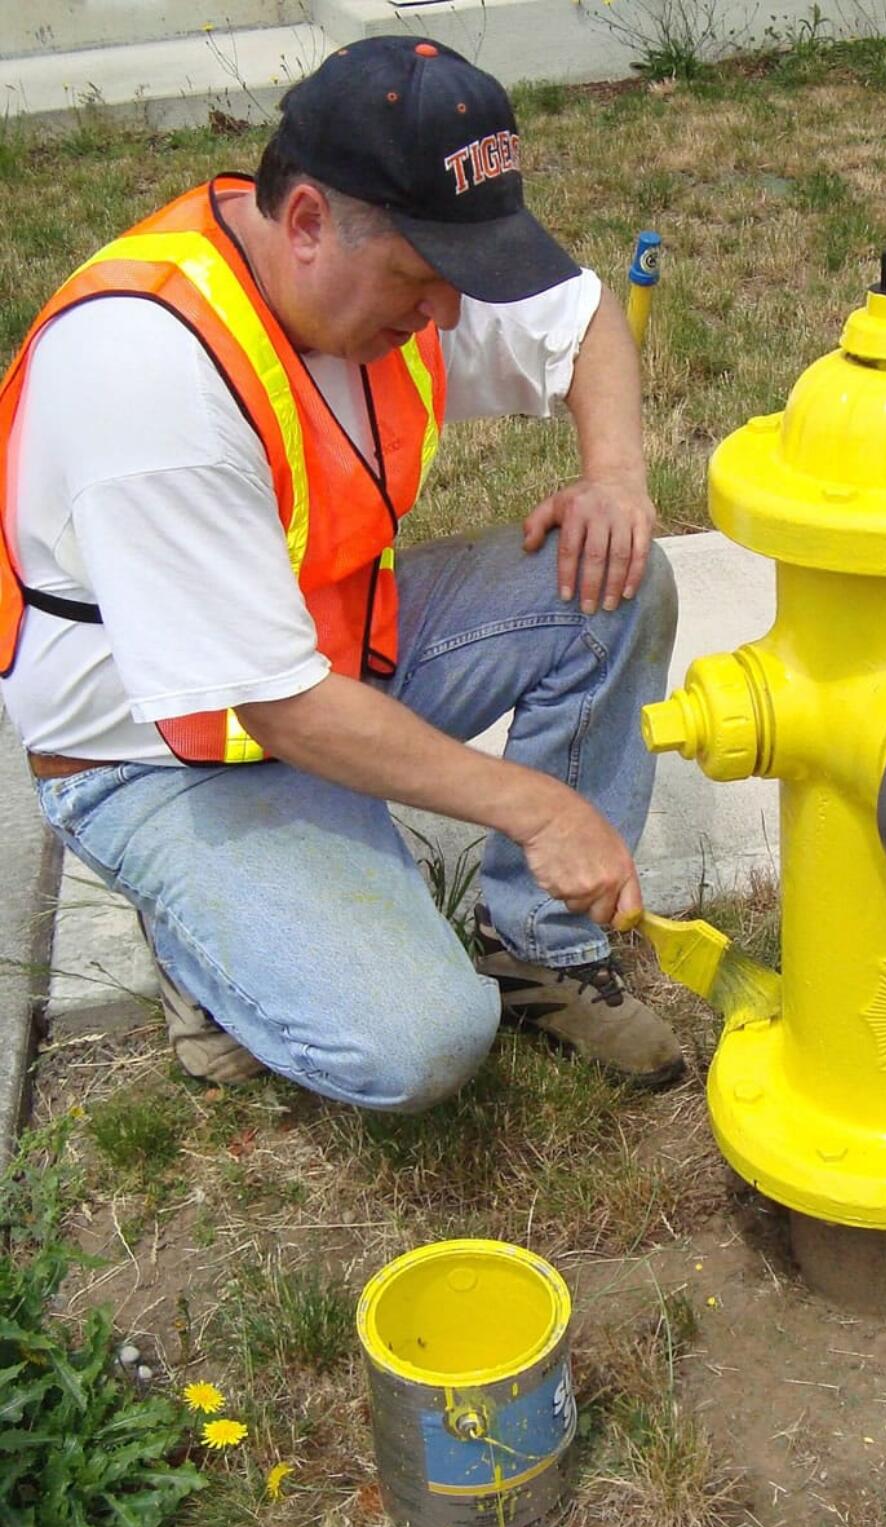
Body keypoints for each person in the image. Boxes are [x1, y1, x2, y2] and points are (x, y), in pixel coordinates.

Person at [0, 35, 683, 1109]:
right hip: (158, 749)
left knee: (616, 579)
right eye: (425, 279)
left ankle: (539, 944)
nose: (450, 315)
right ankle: (204, 952)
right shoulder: (149, 375)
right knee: (417, 1044)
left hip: (329, 658)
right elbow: (276, 710)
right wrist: (539, 808)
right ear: (309, 220)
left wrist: (614, 475)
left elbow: (583, 317)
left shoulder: (376, 268)